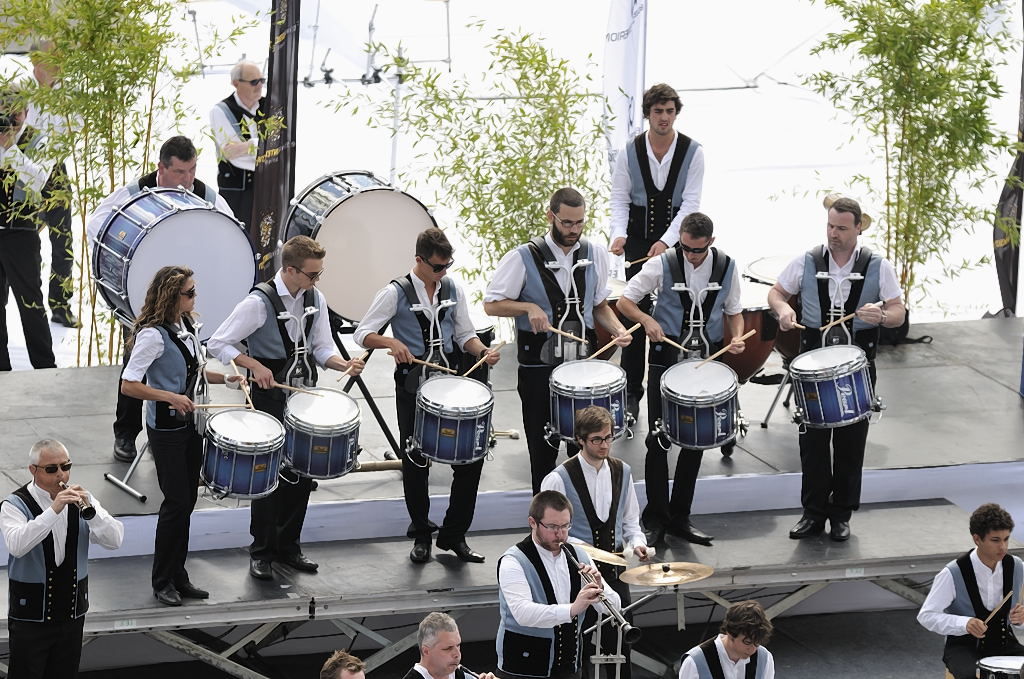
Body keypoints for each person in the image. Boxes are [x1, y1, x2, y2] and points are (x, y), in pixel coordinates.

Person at [208, 235, 364, 580]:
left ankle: (289, 547)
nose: (316, 281)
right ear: (290, 270)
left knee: (302, 473)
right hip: (269, 397)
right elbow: (218, 343)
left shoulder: (315, 298)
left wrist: (343, 364)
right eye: (312, 275)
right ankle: (261, 551)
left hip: (303, 395)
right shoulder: (258, 303)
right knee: (269, 475)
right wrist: (254, 365)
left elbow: (322, 347)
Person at [355, 228, 500, 565]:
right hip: (413, 387)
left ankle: (454, 535)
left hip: (450, 385)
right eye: (437, 266)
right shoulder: (394, 293)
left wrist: (482, 351)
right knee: (415, 459)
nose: (443, 272)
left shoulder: (452, 287)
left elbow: (465, 335)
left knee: (470, 457)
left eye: (448, 265)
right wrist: (390, 342)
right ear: (418, 260)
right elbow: (364, 334)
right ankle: (421, 534)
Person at [87, 135, 234, 464]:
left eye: (193, 170)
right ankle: (125, 434)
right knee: (135, 366)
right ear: (161, 169)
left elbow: (227, 233)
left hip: (182, 297)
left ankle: (169, 431)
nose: (189, 180)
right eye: (181, 173)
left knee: (182, 364)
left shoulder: (207, 196)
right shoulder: (134, 193)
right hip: (143, 297)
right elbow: (97, 225)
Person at [767, 196, 905, 541]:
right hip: (813, 366)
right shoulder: (807, 261)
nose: (834, 234)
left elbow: (899, 311)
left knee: (850, 443)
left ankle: (841, 515)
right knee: (812, 443)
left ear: (858, 228)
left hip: (857, 369)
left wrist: (883, 316)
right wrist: (783, 310)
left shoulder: (878, 265)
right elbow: (777, 293)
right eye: (830, 226)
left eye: (842, 228)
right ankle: (813, 513)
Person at [484, 188, 632, 494]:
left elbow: (599, 304)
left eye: (579, 223)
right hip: (539, 368)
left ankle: (581, 524)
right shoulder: (522, 257)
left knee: (585, 452)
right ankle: (545, 528)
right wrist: (527, 307)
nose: (573, 230)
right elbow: (491, 304)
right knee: (543, 453)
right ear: (551, 216)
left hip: (584, 369)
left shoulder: (596, 253)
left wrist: (618, 328)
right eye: (566, 223)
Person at [615, 212, 745, 546]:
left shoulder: (728, 266)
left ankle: (680, 517)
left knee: (695, 439)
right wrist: (646, 320)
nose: (690, 255)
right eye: (685, 248)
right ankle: (656, 518)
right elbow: (625, 301)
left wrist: (738, 337)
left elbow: (734, 312)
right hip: (665, 361)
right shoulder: (662, 263)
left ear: (710, 243)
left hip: (705, 364)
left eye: (697, 250)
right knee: (658, 439)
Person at [120, 265, 246, 606]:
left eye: (194, 292)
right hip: (168, 428)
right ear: (172, 295)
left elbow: (196, 371)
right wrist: (170, 397)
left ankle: (179, 574)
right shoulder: (152, 335)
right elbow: (129, 384)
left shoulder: (186, 325)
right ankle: (162, 580)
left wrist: (227, 380)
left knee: (187, 501)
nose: (195, 297)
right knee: (175, 503)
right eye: (189, 293)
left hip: (191, 426)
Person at [609, 83, 704, 421]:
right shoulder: (629, 151)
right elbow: (619, 197)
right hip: (636, 241)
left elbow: (690, 205)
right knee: (634, 311)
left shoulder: (693, 152)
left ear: (676, 113)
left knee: (671, 312)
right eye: (658, 111)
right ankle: (632, 392)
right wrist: (619, 235)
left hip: (678, 243)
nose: (664, 117)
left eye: (670, 111)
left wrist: (665, 242)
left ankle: (675, 386)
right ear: (648, 114)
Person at [540, 406, 652, 679]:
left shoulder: (623, 471)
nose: (604, 445)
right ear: (580, 439)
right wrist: (583, 552)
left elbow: (630, 522)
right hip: (576, 577)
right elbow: (549, 534)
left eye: (609, 438)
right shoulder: (558, 478)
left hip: (614, 574)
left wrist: (637, 543)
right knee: (577, 649)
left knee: (620, 644)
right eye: (597, 440)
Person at [0, 439, 124, 679]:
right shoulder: (13, 505)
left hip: (71, 614)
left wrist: (93, 513)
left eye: (65, 466)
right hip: (31, 617)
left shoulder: (82, 498)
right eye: (52, 469)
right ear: (33, 470)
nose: (61, 474)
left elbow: (115, 539)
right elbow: (17, 545)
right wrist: (54, 510)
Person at [496, 490, 621, 679]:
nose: (560, 534)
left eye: (565, 526)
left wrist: (600, 590)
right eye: (552, 526)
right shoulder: (513, 561)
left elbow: (614, 606)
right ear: (532, 523)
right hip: (522, 668)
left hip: (569, 667)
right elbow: (522, 613)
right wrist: (572, 609)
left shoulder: (580, 555)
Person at [917, 503, 1024, 679]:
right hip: (963, 647)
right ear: (977, 539)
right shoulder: (952, 573)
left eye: (1006, 539)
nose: (1003, 547)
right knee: (971, 676)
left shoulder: (1017, 567)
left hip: (1005, 644)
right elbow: (926, 615)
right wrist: (964, 623)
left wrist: (1021, 619)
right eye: (995, 540)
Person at [0, 85, 57, 372]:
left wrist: (10, 148)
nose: (10, 122)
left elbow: (38, 182)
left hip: (21, 232)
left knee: (30, 304)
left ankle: (45, 366)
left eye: (15, 115)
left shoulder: (39, 140)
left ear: (26, 111)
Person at [26, 39, 78, 328]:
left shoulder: (68, 95)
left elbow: (75, 128)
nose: (59, 64)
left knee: (63, 243)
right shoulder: (20, 92)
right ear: (36, 62)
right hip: (24, 173)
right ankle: (28, 305)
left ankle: (60, 305)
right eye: (54, 59)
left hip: (56, 173)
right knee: (24, 243)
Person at [210, 60, 264, 228]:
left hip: (266, 184)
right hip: (236, 190)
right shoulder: (220, 111)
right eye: (254, 82)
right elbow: (231, 154)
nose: (260, 86)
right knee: (237, 232)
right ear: (236, 83)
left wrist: (248, 145)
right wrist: (263, 145)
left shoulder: (270, 106)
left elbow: (280, 146)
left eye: (262, 80)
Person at [679, 600, 775, 679]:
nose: (753, 650)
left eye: (757, 643)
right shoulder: (694, 662)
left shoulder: (765, 658)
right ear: (730, 633)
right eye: (747, 642)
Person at [407, 612, 497, 679]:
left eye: (458, 645)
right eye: (448, 648)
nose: (457, 654)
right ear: (426, 651)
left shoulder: (461, 675)